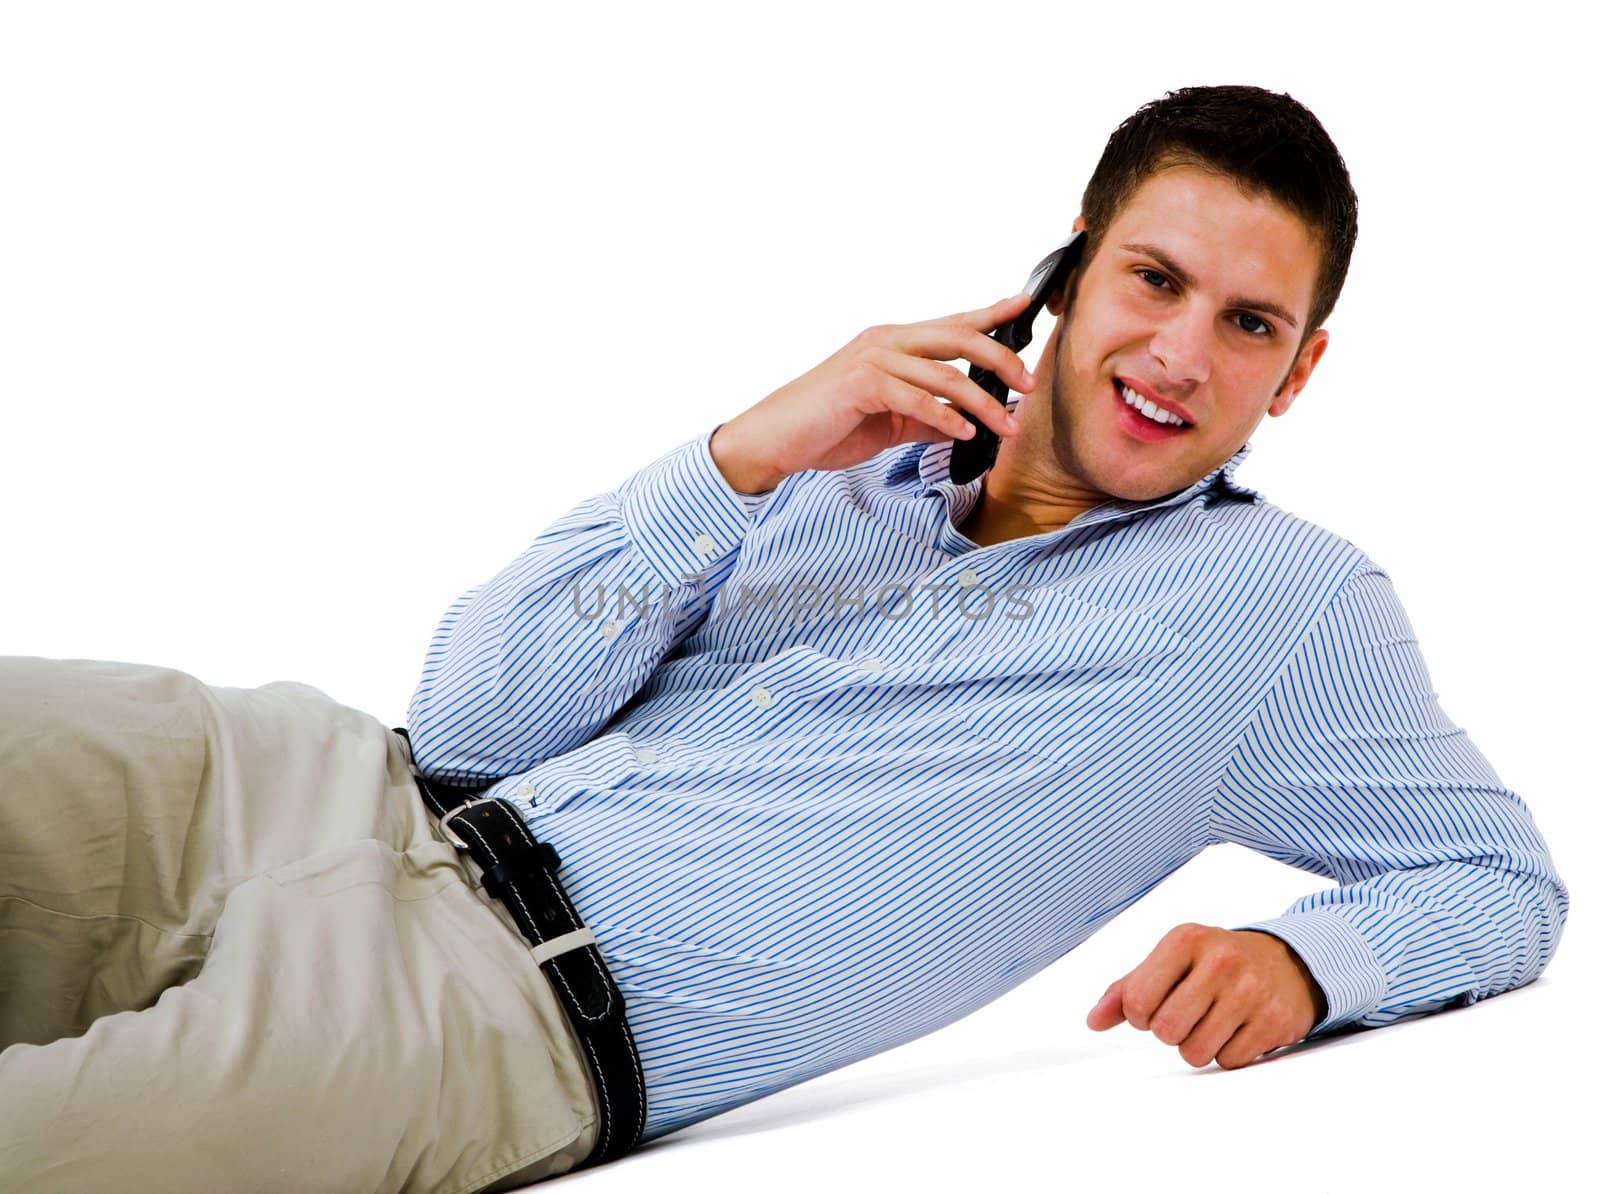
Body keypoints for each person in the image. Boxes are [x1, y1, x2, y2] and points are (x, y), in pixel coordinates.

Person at [0, 84, 1569, 1192]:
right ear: (1070, 267)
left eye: (1250, 324)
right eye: (1153, 280)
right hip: (300, 781)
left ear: (1297, 374)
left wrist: (1312, 958)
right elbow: (471, 716)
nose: (1181, 353)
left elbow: (1505, 882)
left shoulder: (1285, 614)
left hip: (476, 1022)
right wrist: (747, 449)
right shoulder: (851, 453)